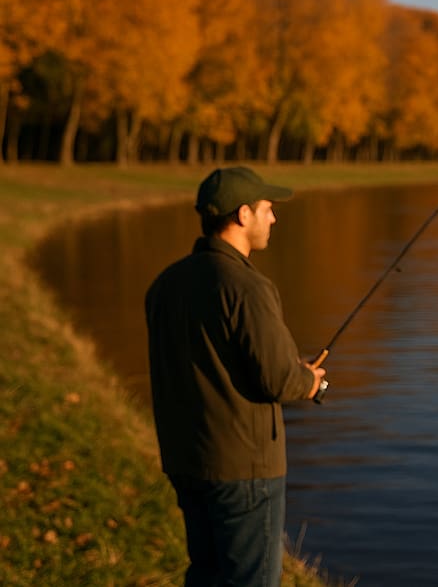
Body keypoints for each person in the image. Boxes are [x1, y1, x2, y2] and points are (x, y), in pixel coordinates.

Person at [145, 166, 325, 586]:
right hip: (244, 471)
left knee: (206, 576)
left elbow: (213, 357)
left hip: (187, 461)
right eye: (268, 209)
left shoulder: (165, 284)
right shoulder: (247, 286)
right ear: (243, 215)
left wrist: (287, 367)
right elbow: (278, 380)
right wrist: (313, 382)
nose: (273, 218)